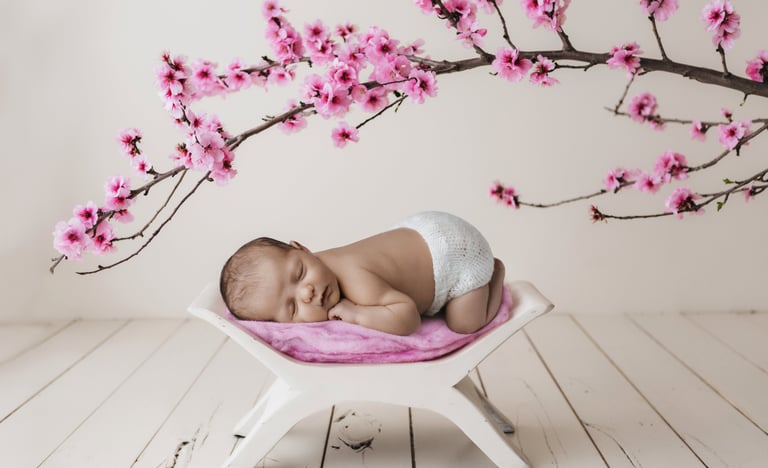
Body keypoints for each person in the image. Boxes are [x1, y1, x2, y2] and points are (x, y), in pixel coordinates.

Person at [219, 211, 505, 336]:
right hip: (418, 231)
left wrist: (356, 313)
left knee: (464, 323)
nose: (307, 293)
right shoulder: (321, 266)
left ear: (302, 248)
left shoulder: (355, 282)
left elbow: (407, 317)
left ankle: (492, 274)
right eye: (292, 307)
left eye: (300, 273)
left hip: (454, 250)